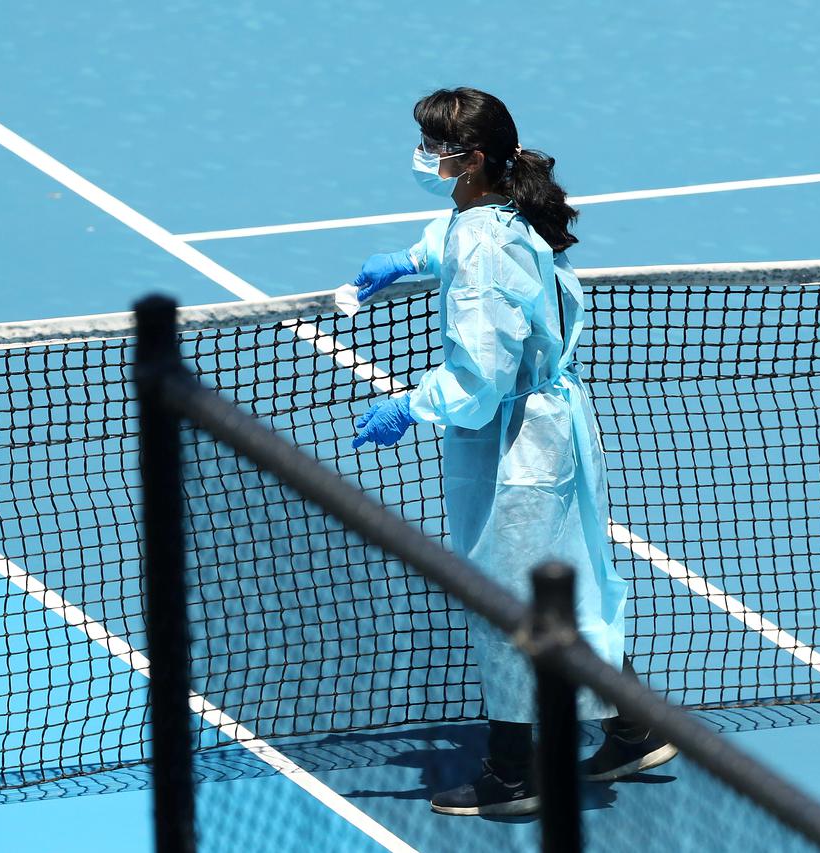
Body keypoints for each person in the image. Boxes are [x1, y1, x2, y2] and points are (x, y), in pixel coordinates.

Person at [351, 87, 677, 816]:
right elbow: (469, 241)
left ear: (470, 159)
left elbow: (480, 378)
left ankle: (514, 770)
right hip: (551, 430)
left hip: (516, 447)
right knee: (568, 587)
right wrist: (409, 258)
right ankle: (634, 726)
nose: (422, 157)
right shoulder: (501, 207)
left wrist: (410, 403)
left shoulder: (484, 243)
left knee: (510, 604)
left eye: (434, 146)